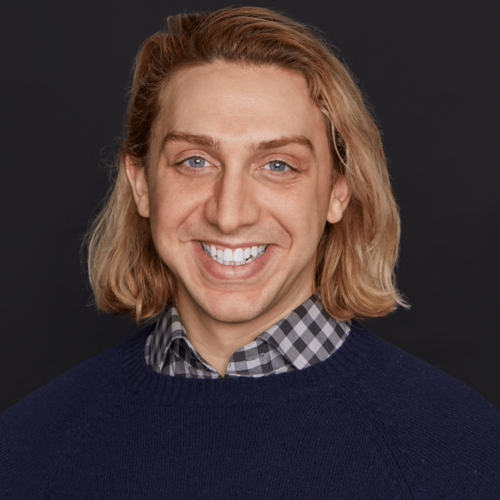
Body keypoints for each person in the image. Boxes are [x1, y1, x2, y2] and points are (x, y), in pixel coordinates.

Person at [1, 6, 499, 499]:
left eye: (278, 165)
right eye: (195, 161)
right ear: (142, 185)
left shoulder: (460, 448)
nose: (229, 214)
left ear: (338, 192)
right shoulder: (24, 450)